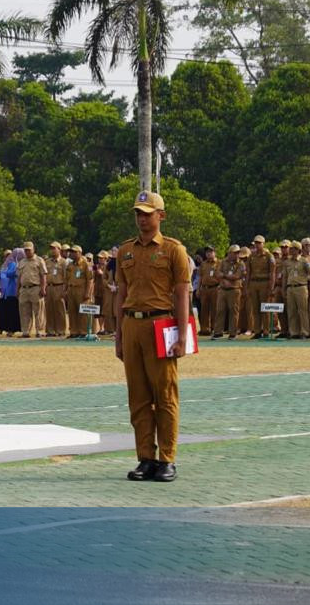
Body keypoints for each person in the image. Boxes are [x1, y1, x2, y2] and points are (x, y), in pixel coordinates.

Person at [115, 191, 190, 483]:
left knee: (165, 395)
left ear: (161, 215)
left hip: (161, 324)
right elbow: (121, 292)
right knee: (138, 397)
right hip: (132, 324)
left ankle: (167, 459)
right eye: (138, 213)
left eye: (148, 213)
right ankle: (145, 457)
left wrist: (182, 335)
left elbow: (183, 292)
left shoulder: (173, 250)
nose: (142, 219)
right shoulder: (125, 251)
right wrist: (118, 335)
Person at [283, 241, 310, 339]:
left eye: (293, 248)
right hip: (290, 288)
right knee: (291, 311)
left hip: (301, 287)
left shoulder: (304, 261)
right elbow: (285, 277)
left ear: (298, 250)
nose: (290, 250)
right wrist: (284, 289)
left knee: (302, 311)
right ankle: (294, 332)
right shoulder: (287, 262)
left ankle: (304, 332)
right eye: (290, 248)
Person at [212, 245, 246, 340]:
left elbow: (237, 276)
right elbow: (217, 273)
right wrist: (224, 279)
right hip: (222, 289)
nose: (237, 254)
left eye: (238, 253)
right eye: (235, 253)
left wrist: (224, 276)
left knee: (233, 311)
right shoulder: (223, 262)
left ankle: (233, 333)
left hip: (234, 289)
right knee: (220, 310)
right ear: (230, 253)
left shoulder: (241, 264)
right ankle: (218, 332)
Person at [245, 236, 275, 338]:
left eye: (259, 243)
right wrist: (247, 287)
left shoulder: (269, 256)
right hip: (253, 283)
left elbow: (272, 273)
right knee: (255, 308)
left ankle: (266, 331)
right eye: (256, 243)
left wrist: (271, 287)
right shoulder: (251, 256)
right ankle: (257, 331)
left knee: (264, 308)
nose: (257, 245)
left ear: (263, 244)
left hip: (264, 283)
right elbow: (248, 273)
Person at [16, 241, 47, 338]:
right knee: (24, 311)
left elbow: (43, 276)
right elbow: (19, 278)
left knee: (38, 311)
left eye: (29, 250)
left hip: (35, 288)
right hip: (24, 289)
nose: (27, 252)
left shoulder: (39, 260)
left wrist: (43, 288)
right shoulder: (21, 262)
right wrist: (17, 290)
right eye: (25, 250)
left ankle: (39, 331)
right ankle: (26, 331)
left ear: (33, 249)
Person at [65, 245, 93, 338]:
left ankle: (84, 331)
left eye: (74, 252)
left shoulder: (86, 264)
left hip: (81, 289)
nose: (72, 254)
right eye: (71, 252)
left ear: (80, 253)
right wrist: (65, 290)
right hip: (71, 289)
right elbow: (66, 278)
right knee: (72, 311)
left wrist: (88, 293)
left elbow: (90, 280)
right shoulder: (70, 264)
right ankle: (74, 331)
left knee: (83, 312)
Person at [44, 241, 68, 337]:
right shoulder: (47, 262)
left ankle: (61, 330)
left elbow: (66, 277)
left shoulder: (63, 262)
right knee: (49, 309)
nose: (52, 250)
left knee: (60, 310)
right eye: (51, 248)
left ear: (59, 249)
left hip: (59, 286)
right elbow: (44, 276)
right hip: (49, 287)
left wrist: (64, 290)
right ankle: (50, 330)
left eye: (54, 248)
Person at [0, 248, 22, 336]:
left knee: (15, 311)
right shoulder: (11, 264)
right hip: (10, 292)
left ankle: (15, 329)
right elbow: (8, 274)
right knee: (10, 312)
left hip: (17, 291)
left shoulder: (21, 263)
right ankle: (10, 329)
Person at [197, 247, 219, 336]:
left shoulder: (220, 263)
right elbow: (200, 278)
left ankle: (214, 328)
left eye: (210, 252)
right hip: (205, 289)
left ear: (215, 253)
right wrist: (198, 289)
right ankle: (205, 329)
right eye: (207, 252)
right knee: (204, 310)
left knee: (215, 309)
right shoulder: (203, 264)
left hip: (215, 288)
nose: (208, 254)